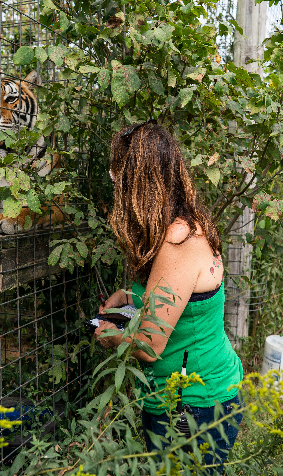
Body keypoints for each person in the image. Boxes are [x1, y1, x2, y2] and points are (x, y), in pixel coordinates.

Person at [94, 120, 244, 467]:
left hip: (192, 404)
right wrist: (127, 297)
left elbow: (148, 345)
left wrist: (110, 336)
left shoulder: (178, 242)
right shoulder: (183, 225)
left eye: (118, 176)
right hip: (189, 397)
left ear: (137, 181)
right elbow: (181, 302)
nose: (114, 183)